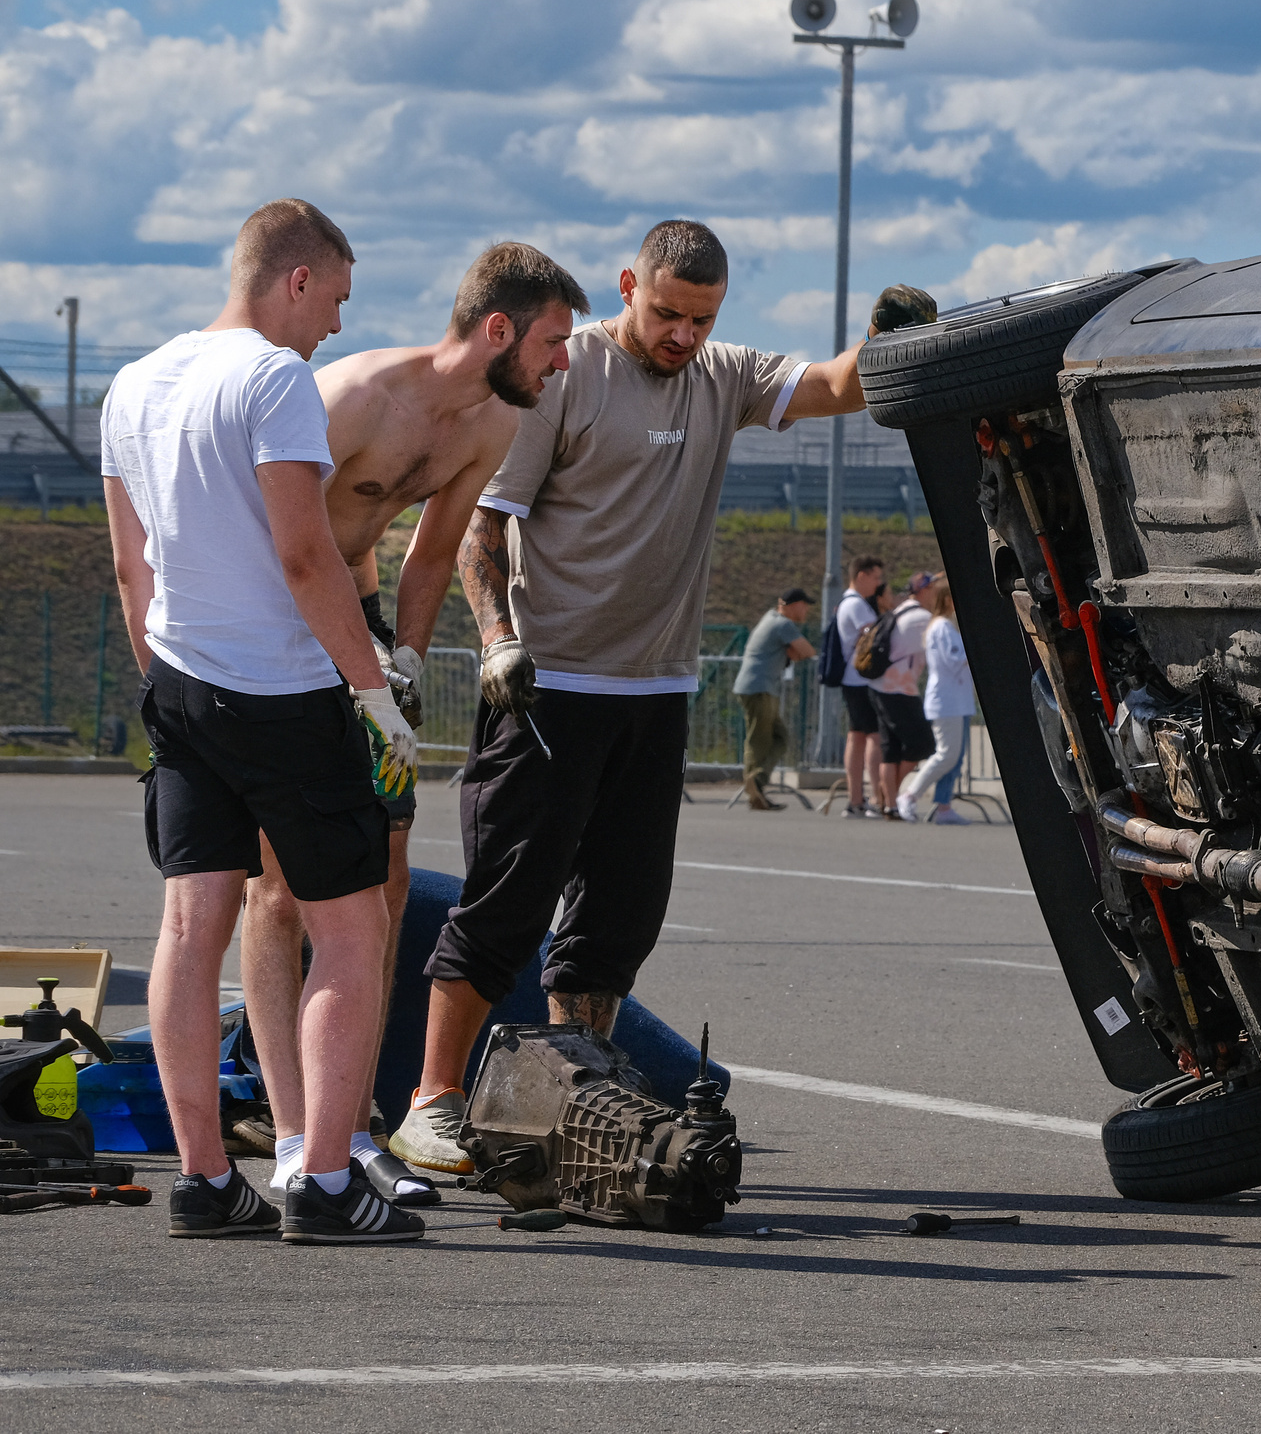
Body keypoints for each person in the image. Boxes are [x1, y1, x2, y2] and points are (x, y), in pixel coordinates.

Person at [388, 218, 873, 1174]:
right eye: (667, 313)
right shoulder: (563, 377)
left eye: (702, 318)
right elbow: (483, 526)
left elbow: (833, 385)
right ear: (627, 287)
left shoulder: (722, 375)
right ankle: (429, 1102)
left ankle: (572, 1096)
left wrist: (889, 338)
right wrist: (496, 641)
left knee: (618, 920)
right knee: (506, 907)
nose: (683, 335)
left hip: (657, 691)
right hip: (548, 689)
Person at [100, 198, 425, 1243]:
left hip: (179, 683)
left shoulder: (133, 383)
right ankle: (323, 1180)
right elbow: (305, 553)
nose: (336, 323)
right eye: (336, 298)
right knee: (352, 925)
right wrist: (371, 691)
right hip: (281, 690)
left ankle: (203, 1180)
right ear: (297, 278)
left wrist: (166, 686)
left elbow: (132, 568)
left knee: (190, 926)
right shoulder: (275, 379)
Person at [240, 241, 584, 1204]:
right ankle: (293, 1127)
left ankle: (354, 1129)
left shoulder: (494, 422)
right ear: (498, 329)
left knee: (384, 878)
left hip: (363, 630)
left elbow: (430, 557)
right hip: (273, 628)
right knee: (280, 890)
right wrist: (329, 668)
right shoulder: (353, 397)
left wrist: (405, 667)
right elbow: (268, 536)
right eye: (553, 342)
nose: (564, 362)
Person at [897, 574, 976, 824]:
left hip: (956, 701)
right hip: (947, 702)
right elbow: (955, 660)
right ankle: (909, 795)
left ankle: (943, 807)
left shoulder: (945, 626)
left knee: (954, 757)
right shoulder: (941, 627)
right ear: (948, 600)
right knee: (946, 755)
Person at [734, 587, 816, 809]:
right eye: (804, 605)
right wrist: (797, 650)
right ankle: (754, 784)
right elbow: (807, 651)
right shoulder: (782, 624)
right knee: (759, 739)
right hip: (759, 688)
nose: (806, 610)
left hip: (758, 687)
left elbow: (796, 654)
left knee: (778, 737)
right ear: (792, 605)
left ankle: (757, 788)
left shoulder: (772, 619)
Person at [869, 571, 936, 819]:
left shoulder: (901, 611)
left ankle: (889, 805)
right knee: (923, 744)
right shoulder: (922, 619)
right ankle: (888, 795)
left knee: (892, 749)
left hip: (880, 686)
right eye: (933, 589)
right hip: (898, 690)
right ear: (923, 591)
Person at [833, 555, 890, 818]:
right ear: (861, 576)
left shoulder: (850, 603)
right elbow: (873, 640)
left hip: (853, 679)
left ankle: (856, 799)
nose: (878, 584)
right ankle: (877, 798)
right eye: (875, 577)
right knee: (874, 737)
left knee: (857, 737)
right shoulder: (856, 605)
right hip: (862, 679)